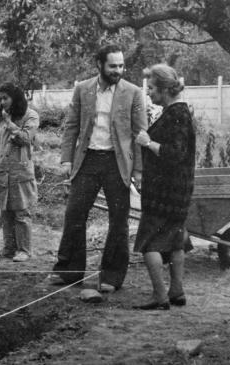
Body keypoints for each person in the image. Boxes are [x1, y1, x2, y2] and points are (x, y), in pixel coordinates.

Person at [51, 44, 147, 290]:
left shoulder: (133, 92)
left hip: (118, 163)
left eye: (121, 65)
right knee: (74, 214)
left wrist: (138, 171)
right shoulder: (83, 90)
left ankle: (112, 277)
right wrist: (66, 159)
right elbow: (71, 126)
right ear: (99, 65)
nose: (118, 70)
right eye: (113, 66)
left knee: (118, 220)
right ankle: (69, 272)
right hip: (88, 161)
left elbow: (140, 133)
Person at [132, 64, 196, 310]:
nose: (148, 93)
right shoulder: (177, 111)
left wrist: (148, 143)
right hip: (177, 191)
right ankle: (177, 292)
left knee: (149, 244)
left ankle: (160, 297)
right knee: (176, 241)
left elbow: (175, 153)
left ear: (165, 89)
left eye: (151, 88)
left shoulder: (176, 114)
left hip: (164, 193)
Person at [0, 82, 39, 262]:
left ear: (15, 98)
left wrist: (10, 124)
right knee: (5, 210)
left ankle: (24, 250)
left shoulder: (31, 116)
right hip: (2, 170)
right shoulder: (0, 118)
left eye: (5, 98)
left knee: (21, 212)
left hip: (20, 172)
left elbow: (25, 138)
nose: (2, 102)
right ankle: (8, 248)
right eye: (0, 98)